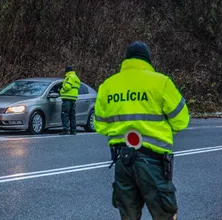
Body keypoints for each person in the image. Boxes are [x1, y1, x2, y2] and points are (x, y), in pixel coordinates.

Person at [94, 41, 190, 220]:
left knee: (128, 216)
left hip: (122, 161)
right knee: (164, 214)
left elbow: (100, 125)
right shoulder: (161, 82)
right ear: (147, 60)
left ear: (126, 60)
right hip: (153, 162)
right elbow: (181, 120)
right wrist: (159, 132)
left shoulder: (108, 85)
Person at [59, 65, 81, 135]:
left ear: (67, 71)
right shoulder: (77, 78)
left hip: (67, 98)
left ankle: (65, 130)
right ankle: (73, 130)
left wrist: (61, 90)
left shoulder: (70, 77)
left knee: (64, 114)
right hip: (73, 98)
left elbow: (67, 87)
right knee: (72, 115)